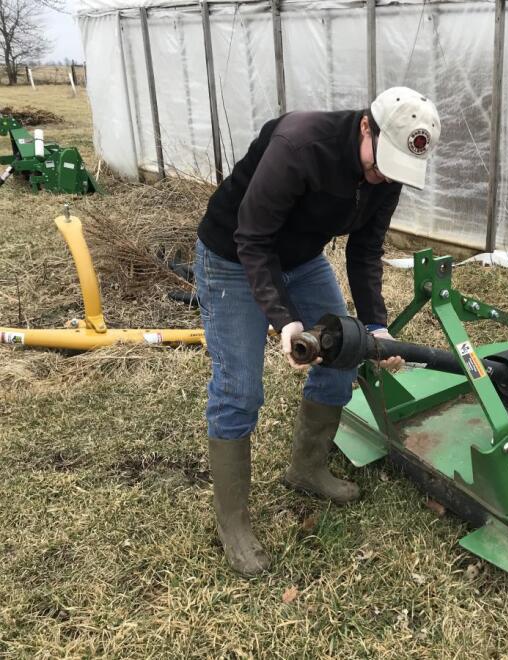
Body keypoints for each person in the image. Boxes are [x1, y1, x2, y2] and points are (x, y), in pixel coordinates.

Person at [193, 87, 441, 575]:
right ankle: (233, 523)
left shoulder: (386, 170)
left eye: (391, 172)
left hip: (302, 260)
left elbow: (365, 250)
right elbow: (252, 237)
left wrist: (375, 324)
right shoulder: (300, 144)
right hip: (232, 257)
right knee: (239, 389)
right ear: (366, 127)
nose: (381, 177)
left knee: (344, 353)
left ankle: (305, 468)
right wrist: (284, 321)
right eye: (378, 164)